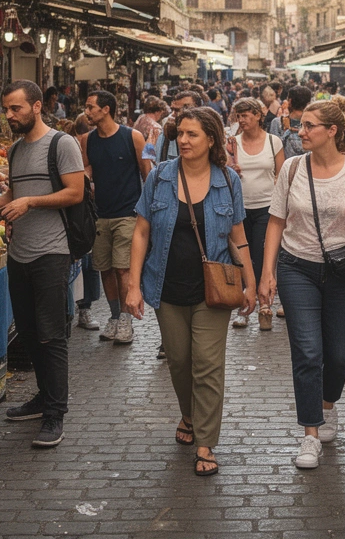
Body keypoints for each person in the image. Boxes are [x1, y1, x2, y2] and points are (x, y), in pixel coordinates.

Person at [122, 107, 256, 476]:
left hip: (213, 290)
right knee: (180, 361)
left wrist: (251, 282)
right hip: (165, 286)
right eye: (180, 133)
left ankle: (205, 442)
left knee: (208, 365)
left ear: (211, 139)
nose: (183, 140)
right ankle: (188, 414)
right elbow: (141, 232)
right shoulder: (160, 177)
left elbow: (238, 237)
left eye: (192, 134)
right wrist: (133, 286)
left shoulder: (227, 181)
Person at [261, 100, 345, 470]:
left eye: (308, 126)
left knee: (339, 354)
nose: (300, 132)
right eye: (300, 125)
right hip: (297, 268)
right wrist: (268, 271)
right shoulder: (293, 169)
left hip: (344, 273)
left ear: (332, 131)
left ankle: (328, 405)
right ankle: (310, 433)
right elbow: (275, 222)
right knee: (308, 353)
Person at [0, 80, 85, 448]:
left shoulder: (62, 144)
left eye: (16, 109)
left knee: (50, 335)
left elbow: (74, 192)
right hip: (19, 253)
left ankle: (55, 414)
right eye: (7, 109)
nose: (10, 115)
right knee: (28, 333)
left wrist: (30, 203)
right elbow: (17, 190)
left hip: (52, 252)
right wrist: (3, 201)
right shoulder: (14, 150)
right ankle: (43, 397)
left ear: (37, 106)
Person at [80, 90, 151, 345]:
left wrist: (147, 212)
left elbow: (147, 174)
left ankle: (125, 320)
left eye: (90, 107)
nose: (86, 112)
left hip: (127, 214)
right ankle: (113, 316)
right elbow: (88, 167)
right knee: (105, 269)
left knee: (123, 270)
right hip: (100, 215)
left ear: (106, 109)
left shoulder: (132, 136)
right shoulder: (88, 139)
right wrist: (86, 179)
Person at [227, 98, 286, 330]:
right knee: (242, 258)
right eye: (239, 116)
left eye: (246, 115)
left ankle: (264, 305)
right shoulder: (233, 143)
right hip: (240, 208)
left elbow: (281, 177)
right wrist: (230, 166)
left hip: (267, 206)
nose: (242, 120)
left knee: (263, 257)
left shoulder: (274, 142)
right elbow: (223, 171)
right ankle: (244, 305)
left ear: (258, 116)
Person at [156, 91, 204, 163]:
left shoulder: (206, 131)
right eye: (173, 110)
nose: (172, 115)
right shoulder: (168, 128)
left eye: (177, 110)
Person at [269, 86, 314, 158]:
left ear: (289, 101)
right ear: (308, 103)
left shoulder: (278, 122)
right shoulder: (314, 124)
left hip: (285, 167)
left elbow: (274, 150)